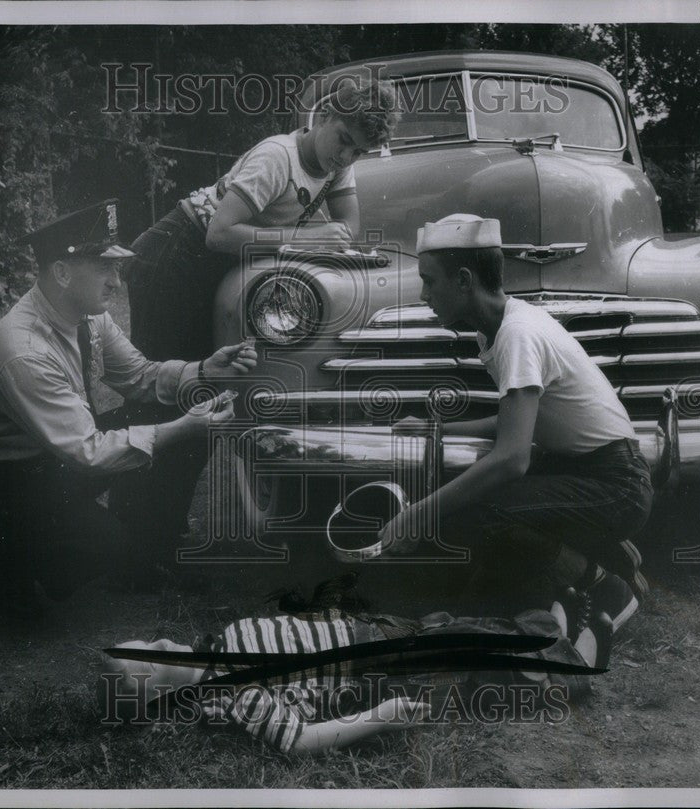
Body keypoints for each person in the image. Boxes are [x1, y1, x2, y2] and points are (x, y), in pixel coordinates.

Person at [0, 199, 258, 618]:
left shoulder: (86, 314)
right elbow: (88, 452)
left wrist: (204, 369)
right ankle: (18, 555)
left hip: (41, 457)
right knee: (100, 549)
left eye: (117, 268)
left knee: (173, 406)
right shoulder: (24, 351)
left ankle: (126, 548)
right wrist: (184, 429)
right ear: (62, 273)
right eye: (105, 269)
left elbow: (141, 377)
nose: (117, 282)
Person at [118, 78, 401, 539]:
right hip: (174, 255)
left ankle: (156, 534)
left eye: (360, 153)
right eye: (345, 141)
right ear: (324, 116)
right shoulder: (276, 157)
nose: (346, 157)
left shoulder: (336, 164)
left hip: (211, 267)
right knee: (167, 394)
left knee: (207, 396)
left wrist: (328, 236)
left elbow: (348, 227)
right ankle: (139, 541)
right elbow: (219, 233)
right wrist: (307, 238)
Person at [378, 214, 654, 649]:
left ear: (464, 280)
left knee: (480, 510)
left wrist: (419, 514)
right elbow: (515, 421)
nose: (423, 295)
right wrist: (437, 428)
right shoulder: (503, 327)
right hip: (590, 473)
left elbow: (511, 457)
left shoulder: (517, 334)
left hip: (615, 484)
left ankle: (604, 584)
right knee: (470, 505)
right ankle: (592, 558)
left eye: (429, 282)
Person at [97, 601, 600, 755]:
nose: (163, 641)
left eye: (150, 640)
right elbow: (297, 740)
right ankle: (568, 668)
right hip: (372, 673)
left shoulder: (221, 644)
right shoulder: (233, 694)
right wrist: (379, 716)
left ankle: (542, 630)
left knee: (450, 626)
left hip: (362, 635)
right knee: (466, 660)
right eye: (155, 657)